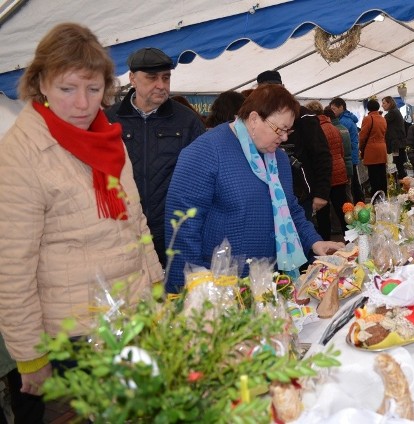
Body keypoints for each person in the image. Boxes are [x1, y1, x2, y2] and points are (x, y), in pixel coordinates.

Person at [0, 21, 162, 402]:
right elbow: (12, 263)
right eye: (67, 88)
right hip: (78, 330)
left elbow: (135, 220)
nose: (82, 103)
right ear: (41, 83)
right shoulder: (21, 153)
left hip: (133, 312)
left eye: (93, 89)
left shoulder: (108, 138)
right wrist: (29, 355)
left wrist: (155, 291)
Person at [164, 84, 343, 293]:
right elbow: (182, 228)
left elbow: (290, 209)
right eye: (280, 129)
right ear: (255, 119)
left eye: (288, 130)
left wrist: (314, 242)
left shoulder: (279, 160)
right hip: (220, 287)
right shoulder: (206, 152)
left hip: (270, 283)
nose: (285, 137)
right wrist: (193, 289)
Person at [105, 47, 206, 267]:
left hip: (171, 234)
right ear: (132, 78)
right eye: (152, 78)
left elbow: (204, 178)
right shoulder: (108, 120)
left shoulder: (187, 121)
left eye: (166, 77)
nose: (161, 85)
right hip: (122, 232)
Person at [257, 70, 332, 222]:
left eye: (275, 88)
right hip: (270, 196)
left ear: (283, 88)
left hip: (300, 196)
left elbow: (321, 154)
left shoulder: (304, 116)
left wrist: (321, 193)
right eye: (265, 90)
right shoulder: (258, 117)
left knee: (301, 237)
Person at [306, 101, 349, 240]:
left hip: (325, 175)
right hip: (339, 170)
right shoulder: (333, 127)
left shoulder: (315, 129)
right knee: (342, 208)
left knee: (322, 212)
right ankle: (349, 237)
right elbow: (342, 151)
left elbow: (316, 156)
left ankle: (325, 240)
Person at [330, 97, 365, 203]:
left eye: (334, 108)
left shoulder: (343, 122)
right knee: (355, 184)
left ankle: (358, 205)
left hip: (348, 157)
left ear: (341, 107)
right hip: (352, 155)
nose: (332, 111)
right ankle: (360, 203)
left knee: (352, 186)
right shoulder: (348, 119)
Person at [359, 99, 388, 197]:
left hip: (372, 150)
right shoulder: (382, 118)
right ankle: (384, 196)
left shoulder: (368, 118)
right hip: (382, 149)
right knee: (382, 176)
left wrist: (361, 148)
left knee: (374, 177)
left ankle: (376, 199)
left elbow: (362, 137)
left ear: (368, 108)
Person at [324, 106, 353, 202]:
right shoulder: (343, 128)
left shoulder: (332, 130)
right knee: (347, 195)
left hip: (339, 167)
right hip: (347, 165)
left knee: (342, 200)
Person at [381, 96, 407, 179]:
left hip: (396, 144)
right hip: (398, 143)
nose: (382, 105)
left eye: (384, 103)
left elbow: (382, 122)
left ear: (389, 103)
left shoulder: (393, 113)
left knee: (397, 165)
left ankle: (402, 184)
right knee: (399, 165)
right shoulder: (395, 111)